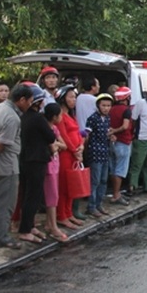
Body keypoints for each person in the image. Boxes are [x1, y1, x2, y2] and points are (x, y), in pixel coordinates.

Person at [0, 82, 33, 250]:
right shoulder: (12, 117)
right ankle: (1, 236)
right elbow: (1, 144)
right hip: (6, 165)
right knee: (5, 203)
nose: (30, 105)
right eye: (30, 101)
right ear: (22, 99)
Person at [17, 85, 53, 244]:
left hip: (25, 159)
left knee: (27, 194)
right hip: (36, 160)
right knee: (33, 196)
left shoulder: (23, 117)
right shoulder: (38, 118)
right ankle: (25, 229)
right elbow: (51, 137)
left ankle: (29, 225)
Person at [56, 85, 86, 229]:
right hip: (66, 155)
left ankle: (68, 213)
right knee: (63, 186)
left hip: (75, 154)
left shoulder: (71, 115)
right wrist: (75, 150)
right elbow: (64, 136)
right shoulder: (60, 116)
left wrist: (81, 146)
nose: (73, 100)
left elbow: (78, 133)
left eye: (74, 97)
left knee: (71, 186)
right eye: (71, 97)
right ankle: (62, 215)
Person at [42, 103, 68, 241]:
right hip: (48, 166)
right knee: (51, 196)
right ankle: (52, 226)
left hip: (55, 164)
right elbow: (53, 148)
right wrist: (56, 145)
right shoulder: (46, 129)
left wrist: (57, 145)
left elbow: (63, 145)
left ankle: (49, 222)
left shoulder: (55, 129)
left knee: (54, 195)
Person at [85, 93, 113, 217]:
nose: (106, 108)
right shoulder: (92, 118)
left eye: (108, 105)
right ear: (98, 106)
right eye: (103, 105)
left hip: (105, 152)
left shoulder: (107, 119)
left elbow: (106, 133)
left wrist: (111, 136)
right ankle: (91, 206)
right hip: (95, 153)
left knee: (103, 180)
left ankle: (98, 204)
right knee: (94, 181)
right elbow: (87, 135)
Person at [107, 87, 133, 205]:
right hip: (123, 141)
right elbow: (125, 126)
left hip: (112, 142)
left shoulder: (111, 109)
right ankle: (116, 194)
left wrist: (111, 132)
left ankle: (114, 192)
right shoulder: (126, 110)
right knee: (120, 170)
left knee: (113, 169)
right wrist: (116, 131)